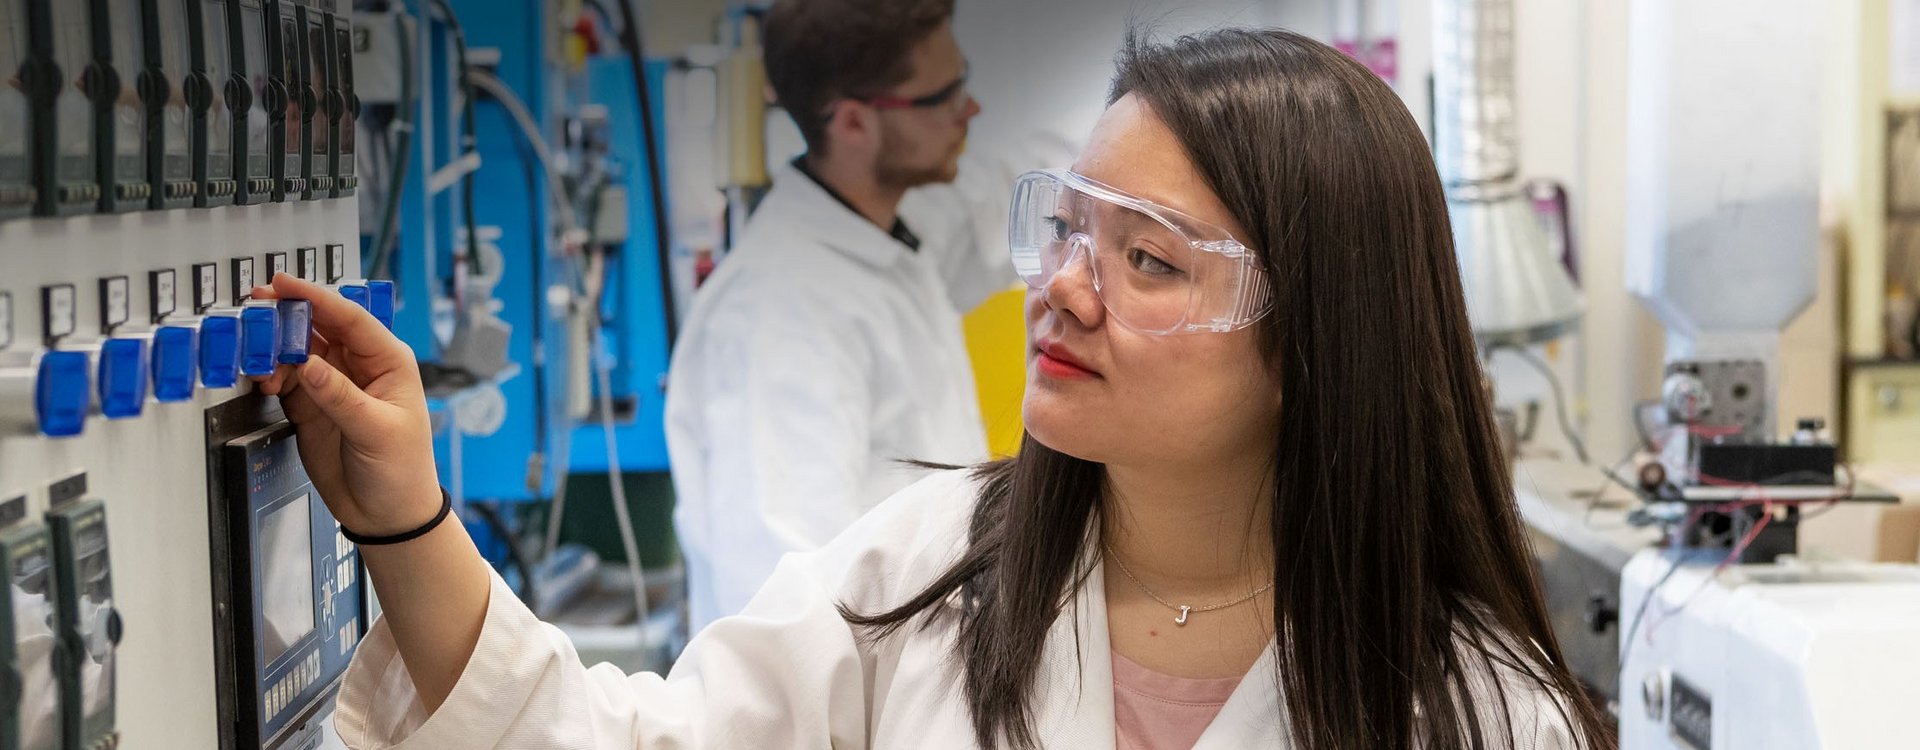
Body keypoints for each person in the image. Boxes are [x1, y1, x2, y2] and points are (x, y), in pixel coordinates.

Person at [252, 27, 1612, 749]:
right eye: (1071, 228)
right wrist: (407, 521)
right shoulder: (930, 568)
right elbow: (629, 743)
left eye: (1148, 259)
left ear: (1317, 335)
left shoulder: (1476, 708)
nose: (1066, 285)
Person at [663, 0, 1024, 631]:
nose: (970, 109)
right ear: (854, 122)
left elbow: (994, 212)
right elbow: (783, 601)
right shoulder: (783, 311)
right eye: (942, 95)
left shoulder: (888, 237)